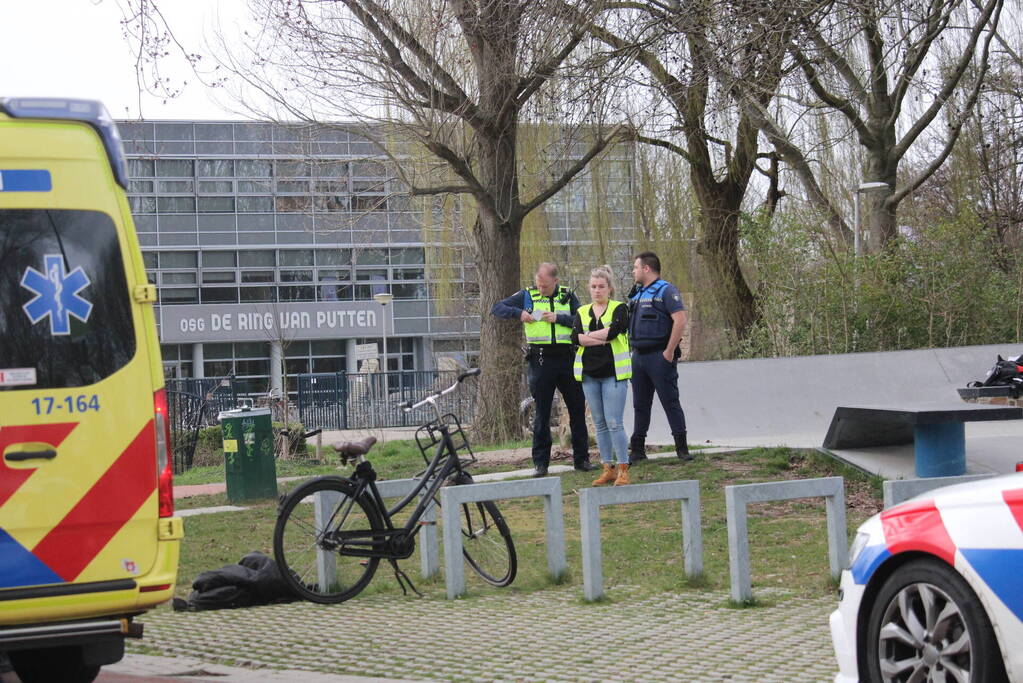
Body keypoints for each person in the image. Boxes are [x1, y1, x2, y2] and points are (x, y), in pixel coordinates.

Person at [491, 263, 594, 477]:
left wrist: (559, 319)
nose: (541, 290)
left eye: (545, 286)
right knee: (542, 413)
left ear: (555, 282)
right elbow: (497, 308)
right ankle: (540, 463)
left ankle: (582, 459)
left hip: (567, 356)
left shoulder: (567, 295)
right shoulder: (527, 294)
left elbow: (584, 321)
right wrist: (519, 313)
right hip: (540, 359)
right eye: (539, 285)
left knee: (577, 410)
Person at [626, 251, 691, 462]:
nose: (633, 271)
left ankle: (682, 449)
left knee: (670, 402)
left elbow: (680, 320)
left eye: (635, 267)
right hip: (638, 357)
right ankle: (637, 449)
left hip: (659, 356)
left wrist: (669, 351)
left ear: (646, 268)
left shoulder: (666, 290)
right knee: (640, 405)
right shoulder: (636, 294)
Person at [572, 265, 632, 486]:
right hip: (589, 374)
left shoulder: (619, 308)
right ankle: (608, 467)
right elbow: (575, 338)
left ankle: (624, 468)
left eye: (601, 286)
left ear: (610, 288)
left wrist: (587, 336)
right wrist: (598, 337)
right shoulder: (581, 311)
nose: (597, 290)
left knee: (614, 422)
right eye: (593, 286)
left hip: (614, 373)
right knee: (600, 424)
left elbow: (614, 331)